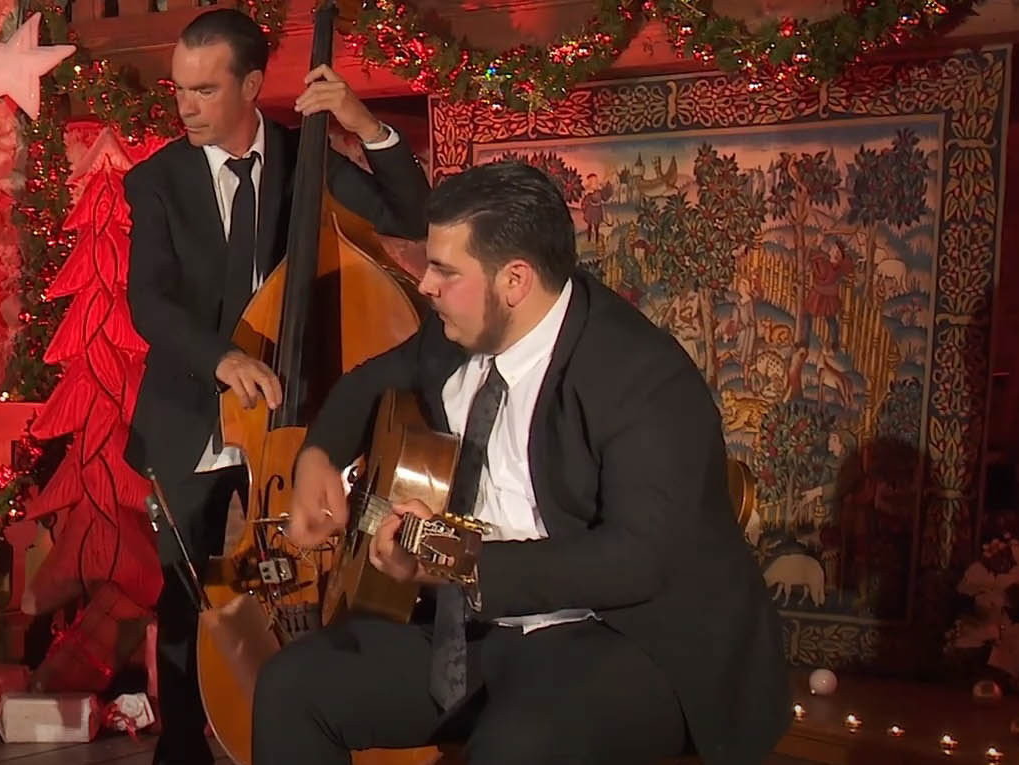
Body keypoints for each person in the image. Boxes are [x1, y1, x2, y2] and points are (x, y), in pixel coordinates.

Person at [258, 160, 790, 764]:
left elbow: (636, 560)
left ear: (514, 280)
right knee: (291, 688)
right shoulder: (455, 333)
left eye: (445, 270)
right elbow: (366, 383)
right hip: (477, 629)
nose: (425, 285)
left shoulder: (642, 375)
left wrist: (451, 560)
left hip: (623, 633)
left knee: (516, 748)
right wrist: (318, 457)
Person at [119, 9, 429, 764]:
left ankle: (309, 729)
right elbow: (150, 301)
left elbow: (413, 213)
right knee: (190, 598)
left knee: (307, 580)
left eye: (204, 90)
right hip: (195, 412)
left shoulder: (304, 155)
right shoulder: (157, 180)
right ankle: (182, 751)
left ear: (252, 85)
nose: (185, 106)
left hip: (293, 420)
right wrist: (222, 358)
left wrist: (363, 123)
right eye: (179, 89)